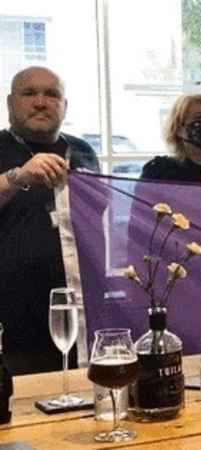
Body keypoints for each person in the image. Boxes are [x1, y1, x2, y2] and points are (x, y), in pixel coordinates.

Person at [0, 66, 100, 374]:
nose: (41, 102)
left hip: (82, 311)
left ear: (64, 106)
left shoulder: (82, 152)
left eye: (51, 94)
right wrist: (18, 176)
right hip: (13, 317)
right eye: (29, 93)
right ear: (9, 104)